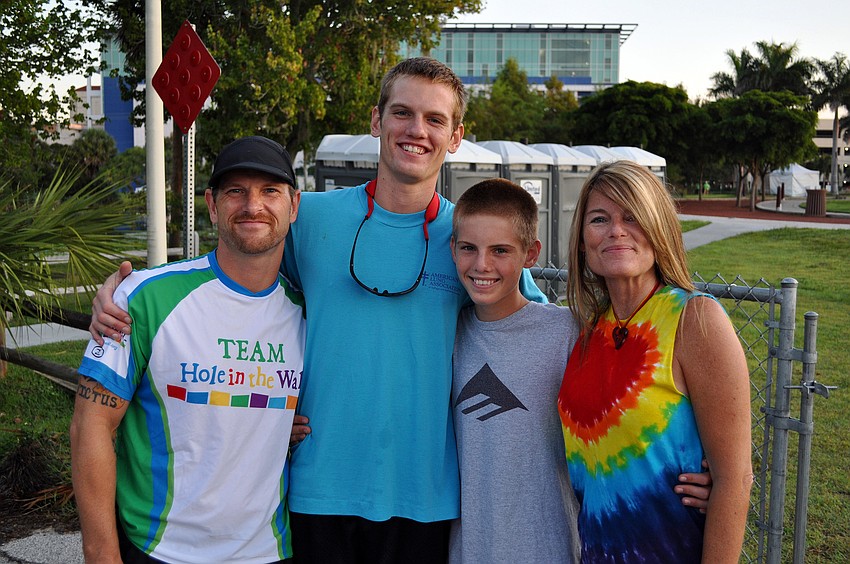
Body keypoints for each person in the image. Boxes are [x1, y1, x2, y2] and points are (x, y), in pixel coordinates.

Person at [90, 59, 711, 562]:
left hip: (427, 499)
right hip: (318, 491)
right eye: (403, 112)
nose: (418, 129)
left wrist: (677, 462)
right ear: (377, 121)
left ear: (455, 135)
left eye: (435, 119)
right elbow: (234, 282)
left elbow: (544, 336)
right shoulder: (310, 218)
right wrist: (118, 296)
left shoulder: (472, 243)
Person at [71, 136, 305, 563]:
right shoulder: (143, 297)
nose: (253, 205)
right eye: (236, 191)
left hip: (269, 552)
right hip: (161, 550)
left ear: (294, 205)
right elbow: (91, 425)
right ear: (212, 205)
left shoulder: (309, 313)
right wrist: (101, 553)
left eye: (270, 191)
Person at [557, 160, 753, 562]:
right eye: (599, 219)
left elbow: (734, 479)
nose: (616, 230)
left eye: (633, 216)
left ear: (659, 227)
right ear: (581, 240)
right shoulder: (585, 332)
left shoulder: (694, 319)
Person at [448, 178, 581, 563]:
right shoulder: (446, 335)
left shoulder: (567, 333)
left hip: (547, 549)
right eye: (469, 248)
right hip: (466, 551)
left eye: (500, 250)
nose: (482, 265)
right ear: (452, 248)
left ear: (531, 253)